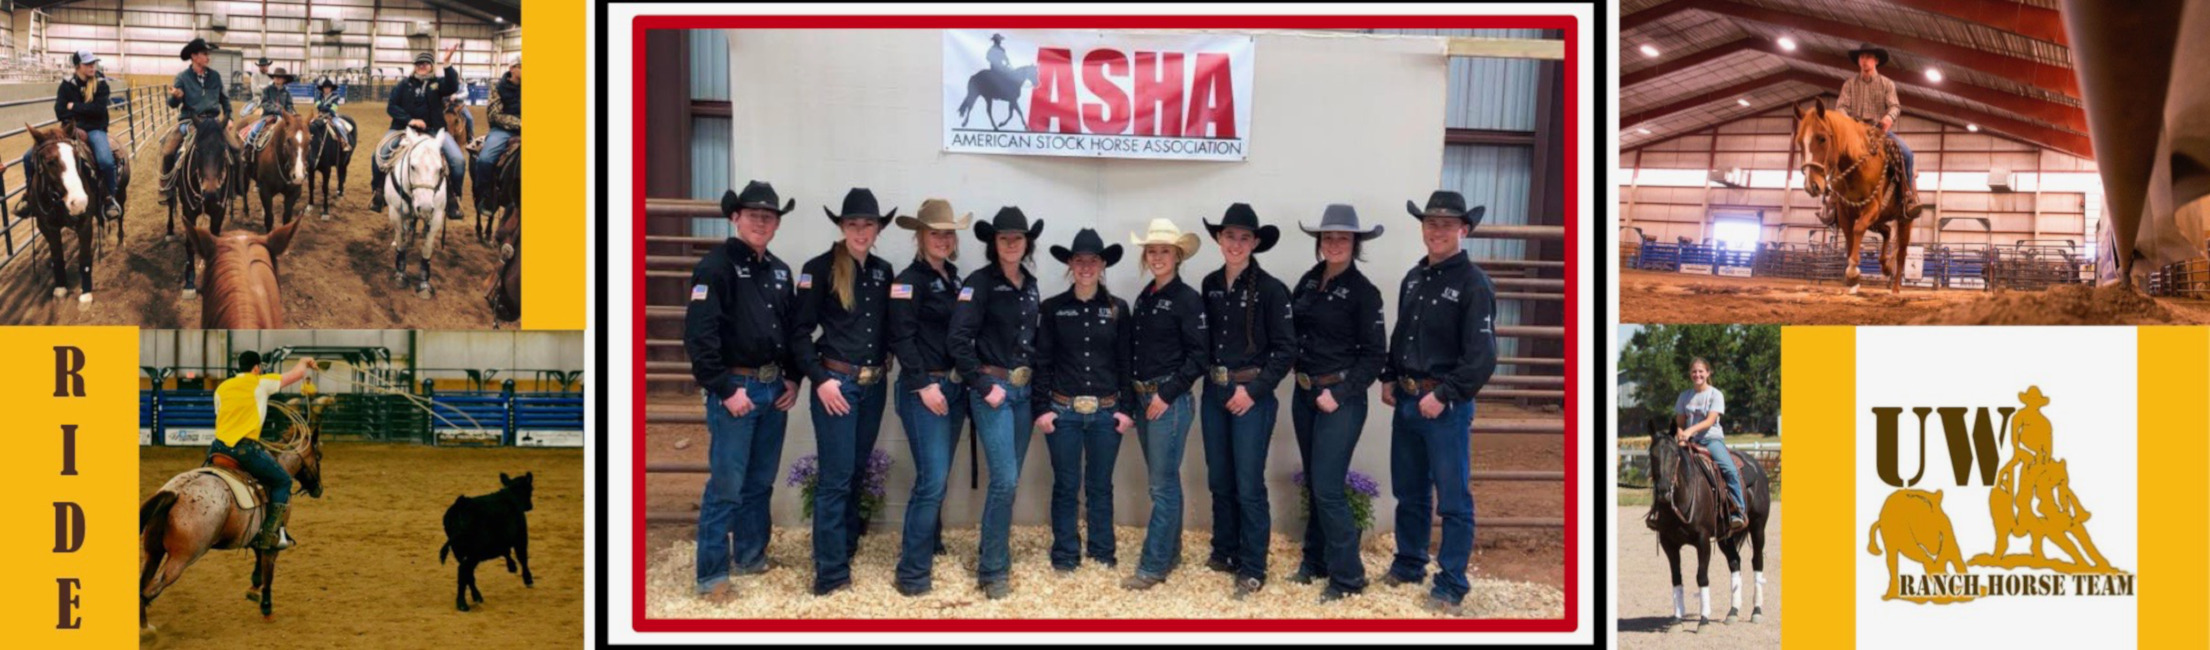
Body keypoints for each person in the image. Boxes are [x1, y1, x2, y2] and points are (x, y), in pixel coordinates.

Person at [1380, 190, 1499, 616]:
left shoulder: (1473, 284)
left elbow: (1482, 358)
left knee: (1452, 498)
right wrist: (1390, 376)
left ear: (1463, 230)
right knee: (1409, 491)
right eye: (1431, 223)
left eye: (1447, 224)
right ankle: (1410, 562)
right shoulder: (1414, 278)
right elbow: (1401, 335)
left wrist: (1444, 394)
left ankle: (1450, 582)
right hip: (1410, 400)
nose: (1437, 231)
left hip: (1444, 405)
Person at [685, 180, 802, 603]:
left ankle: (751, 556)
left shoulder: (780, 271)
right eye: (753, 214)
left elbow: (790, 331)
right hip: (736, 388)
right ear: (735, 217)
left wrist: (793, 377)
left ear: (776, 225)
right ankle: (712, 576)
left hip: (773, 388)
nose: (761, 221)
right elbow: (699, 337)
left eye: (768, 216)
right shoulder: (715, 267)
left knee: (760, 481)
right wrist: (723, 387)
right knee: (726, 483)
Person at [790, 188, 897, 598]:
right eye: (853, 223)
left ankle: (846, 548)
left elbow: (888, 324)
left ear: (877, 228)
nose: (860, 230)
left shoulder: (884, 271)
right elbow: (799, 333)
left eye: (868, 224)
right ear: (841, 226)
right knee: (835, 478)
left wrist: (887, 354)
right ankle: (830, 573)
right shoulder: (818, 269)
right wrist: (820, 379)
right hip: (837, 385)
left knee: (854, 471)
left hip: (872, 386)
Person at [1287, 204, 1388, 603]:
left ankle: (1348, 576)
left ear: (1355, 243)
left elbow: (1375, 355)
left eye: (1342, 238)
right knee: (1315, 482)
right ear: (1319, 242)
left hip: (1340, 397)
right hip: (1305, 392)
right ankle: (1315, 561)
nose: (1334, 244)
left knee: (1328, 486)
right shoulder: (1309, 282)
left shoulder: (1365, 293)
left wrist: (1341, 393)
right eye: (1327, 237)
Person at [1198, 202, 1295, 600]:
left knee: (1248, 483)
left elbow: (1286, 349)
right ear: (1219, 240)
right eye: (1229, 236)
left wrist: (1253, 391)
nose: (1235, 243)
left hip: (1252, 395)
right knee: (1219, 477)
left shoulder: (1272, 290)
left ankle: (1254, 565)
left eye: (1243, 237)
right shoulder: (1208, 284)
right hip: (1215, 391)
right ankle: (1225, 551)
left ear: (1255, 242)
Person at [946, 206, 1044, 600]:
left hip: (1022, 392)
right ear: (993, 243)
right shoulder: (979, 283)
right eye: (1004, 238)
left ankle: (992, 553)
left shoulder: (1032, 283)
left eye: (1018, 238)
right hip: (994, 393)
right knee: (1004, 480)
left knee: (1010, 480)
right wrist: (983, 384)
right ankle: (992, 570)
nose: (1011, 244)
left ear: (1026, 242)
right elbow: (957, 339)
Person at [1034, 228, 1135, 573]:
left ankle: (1103, 553)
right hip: (1064, 411)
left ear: (1103, 264)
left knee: (1100, 486)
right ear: (1070, 264)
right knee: (1065, 485)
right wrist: (1042, 410)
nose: (1086, 267)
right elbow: (1042, 361)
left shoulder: (1118, 309)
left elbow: (1126, 362)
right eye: (1080, 261)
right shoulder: (1052, 309)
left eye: (1093, 261)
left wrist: (1127, 410)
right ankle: (1064, 554)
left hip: (1107, 413)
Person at [887, 198, 973, 597]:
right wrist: (923, 385)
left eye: (948, 233)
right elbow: (901, 337)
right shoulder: (908, 280)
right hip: (926, 388)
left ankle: (930, 544)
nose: (942, 239)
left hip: (953, 386)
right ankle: (912, 572)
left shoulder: (955, 278)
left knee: (937, 477)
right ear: (920, 236)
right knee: (932, 479)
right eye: (935, 232)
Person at [1118, 218, 1208, 592]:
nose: (1157, 257)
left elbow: (1199, 356)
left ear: (1177, 256)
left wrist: (1165, 395)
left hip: (1166, 400)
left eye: (1164, 251)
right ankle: (1171, 553)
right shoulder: (1147, 295)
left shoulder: (1188, 300)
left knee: (1161, 486)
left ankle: (1153, 565)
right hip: (1144, 397)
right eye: (1152, 251)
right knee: (1165, 480)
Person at [209, 351, 317, 550]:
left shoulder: (221, 388)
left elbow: (220, 414)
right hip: (244, 449)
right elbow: (296, 374)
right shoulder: (261, 383)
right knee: (282, 480)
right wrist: (303, 362)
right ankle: (268, 534)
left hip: (217, 449)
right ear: (256, 367)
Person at [16, 50, 120, 220]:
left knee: (106, 161)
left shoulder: (101, 84)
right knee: (29, 157)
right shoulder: (66, 85)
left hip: (95, 129)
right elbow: (60, 110)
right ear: (78, 66)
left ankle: (109, 198)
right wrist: (74, 119)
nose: (92, 67)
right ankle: (30, 196)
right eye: (88, 64)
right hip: (67, 131)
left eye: (93, 63)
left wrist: (75, 108)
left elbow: (99, 110)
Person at [370, 45, 467, 216]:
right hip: (402, 129)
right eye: (419, 63)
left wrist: (447, 63)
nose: (422, 66)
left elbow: (452, 86)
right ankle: (378, 193)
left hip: (435, 131)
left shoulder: (438, 84)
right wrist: (410, 120)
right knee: (379, 155)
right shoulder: (403, 85)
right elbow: (391, 107)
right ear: (415, 66)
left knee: (458, 161)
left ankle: (454, 199)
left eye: (426, 63)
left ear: (431, 66)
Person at [1834, 42, 1927, 219]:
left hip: (1879, 132)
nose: (1864, 61)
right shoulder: (1849, 85)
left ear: (1876, 60)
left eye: (1868, 57)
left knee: (1907, 154)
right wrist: (1848, 122)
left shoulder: (1887, 84)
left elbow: (1894, 106)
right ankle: (1831, 201)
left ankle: (1908, 197)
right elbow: (1841, 107)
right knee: (1832, 153)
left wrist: (1888, 118)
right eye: (1862, 57)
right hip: (1855, 132)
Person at [159, 37, 236, 206]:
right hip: (190, 121)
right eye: (204, 54)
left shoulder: (215, 76)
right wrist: (175, 97)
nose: (208, 57)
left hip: (214, 122)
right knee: (168, 152)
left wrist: (229, 117)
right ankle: (167, 189)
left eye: (208, 54)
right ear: (194, 57)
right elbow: (173, 104)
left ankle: (233, 188)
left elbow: (225, 99)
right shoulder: (182, 77)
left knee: (236, 149)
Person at [1674, 356, 1745, 533]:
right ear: (1690, 374)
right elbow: (1680, 422)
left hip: (1711, 440)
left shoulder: (1715, 394)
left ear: (1708, 373)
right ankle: (1661, 511)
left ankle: (1739, 511)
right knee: (1667, 467)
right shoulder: (1684, 396)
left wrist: (1689, 432)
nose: (1697, 374)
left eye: (1700, 371)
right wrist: (1681, 435)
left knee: (1729, 469)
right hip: (1689, 442)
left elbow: (1709, 421)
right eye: (1694, 372)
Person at [476, 58, 519, 213]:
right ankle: (487, 197)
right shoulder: (498, 87)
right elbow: (495, 115)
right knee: (485, 160)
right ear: (512, 69)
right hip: (503, 131)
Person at [239, 60, 296, 152]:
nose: (277, 79)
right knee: (255, 130)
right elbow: (265, 103)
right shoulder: (267, 90)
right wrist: (277, 110)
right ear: (273, 78)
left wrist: (287, 113)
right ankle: (247, 147)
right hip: (268, 116)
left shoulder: (287, 93)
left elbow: (289, 105)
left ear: (284, 80)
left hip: (283, 118)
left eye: (280, 77)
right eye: (276, 77)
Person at [312, 77, 354, 152]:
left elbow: (333, 109)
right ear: (323, 88)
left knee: (339, 126)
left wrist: (324, 108)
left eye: (328, 88)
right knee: (310, 124)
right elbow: (317, 105)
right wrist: (325, 108)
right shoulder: (319, 96)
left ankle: (345, 142)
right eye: (325, 88)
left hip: (331, 116)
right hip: (320, 115)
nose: (327, 89)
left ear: (331, 88)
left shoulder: (335, 97)